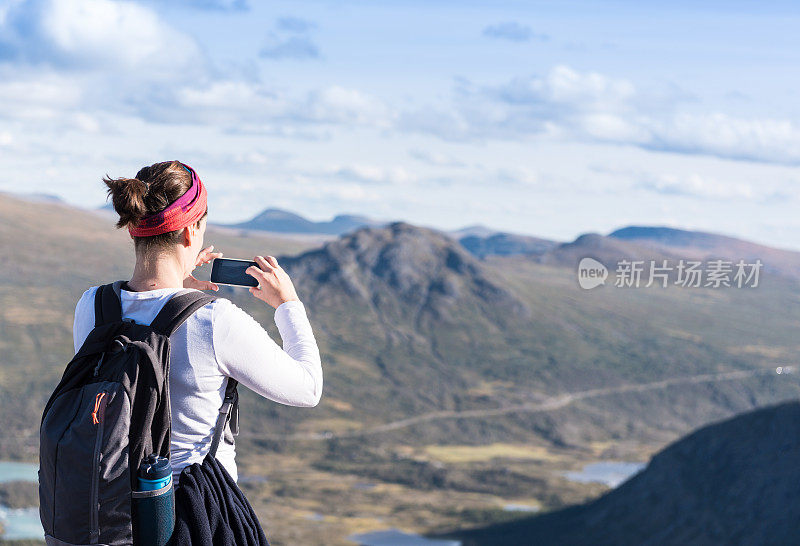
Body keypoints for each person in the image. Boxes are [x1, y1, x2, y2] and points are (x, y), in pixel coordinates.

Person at [71, 160, 323, 486]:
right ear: (191, 232)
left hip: (111, 516)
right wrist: (288, 305)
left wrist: (174, 297)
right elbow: (308, 389)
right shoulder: (214, 322)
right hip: (195, 518)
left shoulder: (91, 306)